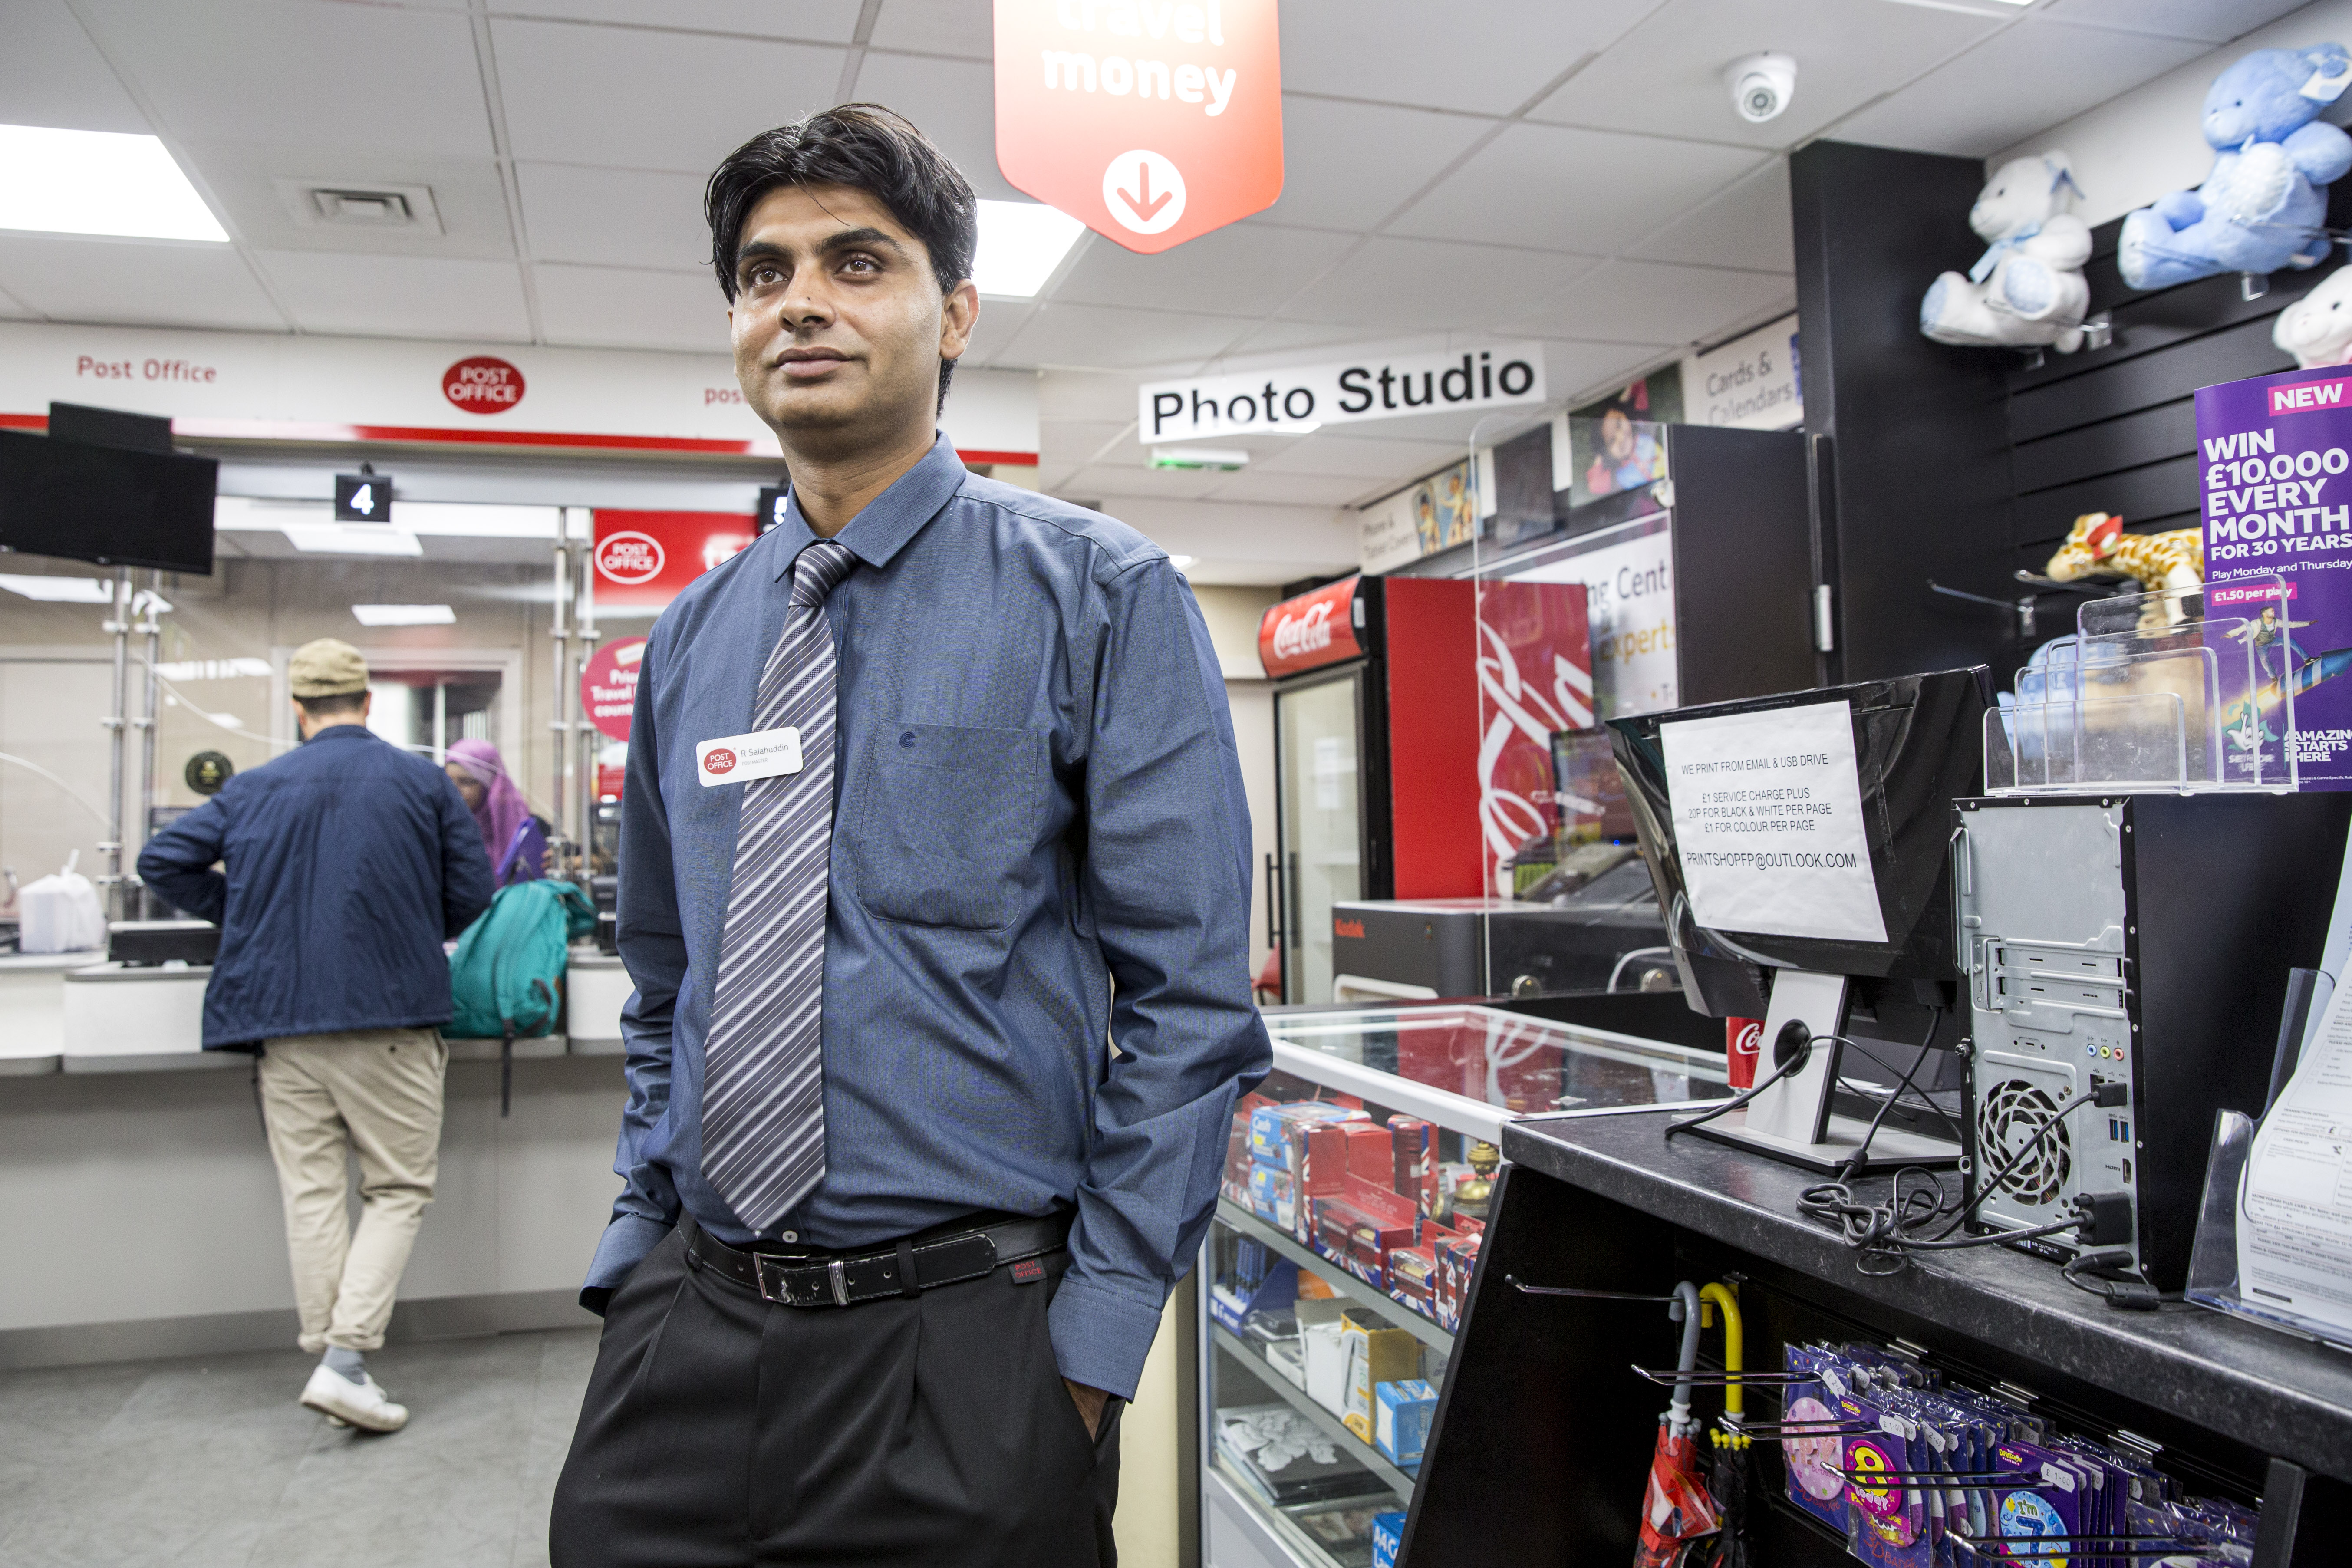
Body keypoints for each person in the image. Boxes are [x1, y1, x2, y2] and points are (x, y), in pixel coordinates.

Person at [549, 105, 1270, 1567]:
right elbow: (666, 979)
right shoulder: (690, 638)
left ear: (952, 315)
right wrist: (638, 1243)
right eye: (762, 274)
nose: (799, 300)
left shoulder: (1099, 593)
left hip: (969, 1351)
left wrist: (1085, 1352)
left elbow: (1190, 1007)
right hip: (688, 1337)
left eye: (855, 262)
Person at [138, 639, 494, 1434]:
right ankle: (345, 1358)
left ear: (298, 711)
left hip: (280, 1021)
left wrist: (248, 914)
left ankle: (332, 1356)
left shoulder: (254, 785)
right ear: (367, 703)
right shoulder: (420, 780)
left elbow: (160, 861)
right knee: (397, 1189)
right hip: (389, 1020)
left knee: (311, 1193)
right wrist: (403, 930)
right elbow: (473, 890)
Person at [444, 738, 547, 887]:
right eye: (448, 782)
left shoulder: (528, 828)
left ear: (489, 785)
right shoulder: (444, 828)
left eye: (465, 782)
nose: (454, 791)